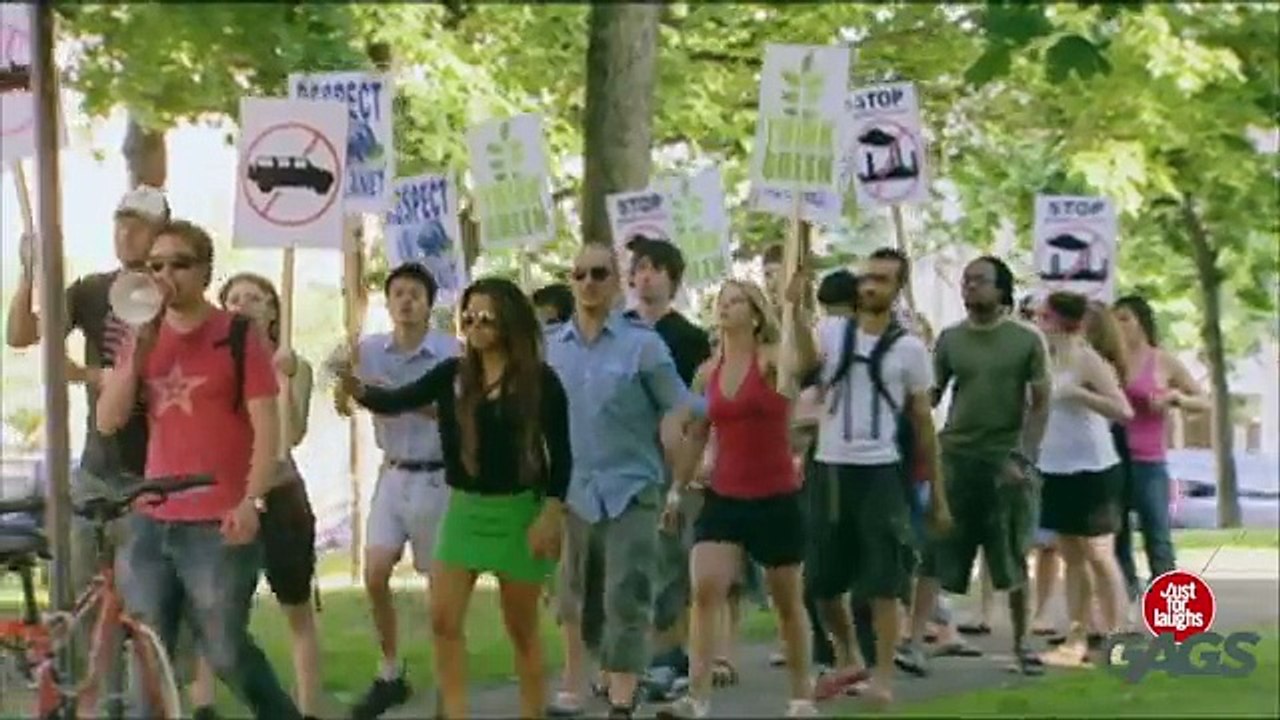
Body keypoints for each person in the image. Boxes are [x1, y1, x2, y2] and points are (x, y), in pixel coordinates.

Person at [338, 277, 572, 719]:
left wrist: (551, 512)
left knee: (521, 630)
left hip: (520, 511)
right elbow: (396, 400)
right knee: (444, 621)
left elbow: (562, 455)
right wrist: (353, 385)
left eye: (486, 315)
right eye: (468, 315)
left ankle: (531, 712)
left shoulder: (541, 381)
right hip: (464, 508)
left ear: (509, 320)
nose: (475, 323)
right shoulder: (453, 374)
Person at [95, 219, 300, 719]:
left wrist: (252, 500)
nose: (165, 275)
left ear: (205, 272)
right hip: (152, 516)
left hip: (218, 519)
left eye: (179, 264)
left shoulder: (235, 334)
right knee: (149, 653)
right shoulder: (140, 333)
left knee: (226, 650)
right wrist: (138, 350)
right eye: (155, 265)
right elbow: (108, 420)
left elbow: (266, 427)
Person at [547, 243, 705, 720]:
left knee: (627, 594)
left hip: (632, 488)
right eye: (580, 275)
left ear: (617, 282)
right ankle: (611, 669)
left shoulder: (643, 344)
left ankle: (622, 700)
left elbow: (685, 402)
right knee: (582, 603)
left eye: (600, 274)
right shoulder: (551, 347)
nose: (589, 283)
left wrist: (674, 427)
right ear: (571, 282)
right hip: (575, 491)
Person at [659, 279, 817, 719]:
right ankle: (697, 696)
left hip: (775, 495)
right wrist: (677, 489)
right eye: (720, 302)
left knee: (786, 601)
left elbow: (804, 361)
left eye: (735, 302)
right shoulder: (708, 371)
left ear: (755, 312)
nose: (725, 309)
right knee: (706, 589)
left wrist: (796, 310)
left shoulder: (771, 361)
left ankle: (802, 695)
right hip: (724, 494)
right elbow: (697, 433)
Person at [800, 248, 946, 706]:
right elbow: (802, 368)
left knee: (882, 581)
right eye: (866, 278)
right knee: (821, 582)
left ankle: (882, 676)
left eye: (881, 279)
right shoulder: (831, 331)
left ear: (897, 288)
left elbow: (923, 424)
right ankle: (847, 654)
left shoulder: (909, 349)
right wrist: (793, 304)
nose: (869, 286)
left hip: (880, 469)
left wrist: (938, 494)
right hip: (829, 467)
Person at [6, 186, 170, 593]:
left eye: (138, 226)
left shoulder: (175, 293)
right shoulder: (92, 291)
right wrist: (29, 273)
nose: (125, 235)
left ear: (161, 233)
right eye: (120, 224)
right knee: (78, 595)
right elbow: (20, 335)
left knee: (150, 604)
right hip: (97, 468)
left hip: (158, 470)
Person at [181, 274, 321, 720]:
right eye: (233, 298)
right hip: (223, 495)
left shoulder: (292, 365)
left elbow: (291, 435)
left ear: (273, 310)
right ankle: (203, 706)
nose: (242, 305)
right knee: (210, 606)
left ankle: (308, 707)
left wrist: (283, 382)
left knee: (296, 607)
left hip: (280, 496)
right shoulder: (209, 359)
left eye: (254, 298)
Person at [335, 263, 460, 719]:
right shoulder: (368, 350)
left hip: (438, 475)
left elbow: (455, 416)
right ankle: (390, 671)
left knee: (440, 588)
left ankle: (451, 686)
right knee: (375, 571)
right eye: (398, 293)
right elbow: (345, 398)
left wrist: (396, 396)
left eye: (415, 294)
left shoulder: (451, 353)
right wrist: (344, 380)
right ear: (387, 304)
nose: (406, 301)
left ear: (429, 303)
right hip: (392, 473)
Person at [918, 255, 1051, 677]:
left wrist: (1022, 456)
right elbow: (932, 396)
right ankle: (913, 640)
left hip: (1005, 461)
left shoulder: (1026, 340)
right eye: (966, 280)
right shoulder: (951, 339)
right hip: (955, 456)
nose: (970, 287)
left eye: (979, 281)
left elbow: (1041, 403)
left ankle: (1022, 642)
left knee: (1010, 554)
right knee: (935, 550)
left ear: (1001, 289)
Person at [623, 236, 712, 685]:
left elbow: (698, 403)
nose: (645, 275)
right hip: (625, 457)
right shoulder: (619, 329)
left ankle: (669, 651)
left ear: (673, 279)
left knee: (672, 556)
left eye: (656, 268)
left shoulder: (689, 337)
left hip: (673, 458)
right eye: (639, 267)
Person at [1034, 293, 1133, 667]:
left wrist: (1078, 394)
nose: (1038, 322)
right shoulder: (1044, 359)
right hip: (1055, 468)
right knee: (1070, 554)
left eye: (1045, 316)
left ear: (1063, 321)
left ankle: (1118, 632)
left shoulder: (1087, 359)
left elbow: (1122, 410)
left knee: (1099, 554)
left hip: (1094, 469)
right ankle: (1076, 638)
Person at [1112, 294, 1207, 601]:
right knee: (1116, 537)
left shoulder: (1161, 360)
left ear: (1142, 322)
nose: (1120, 325)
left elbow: (1203, 401)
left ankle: (1167, 605)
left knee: (1157, 536)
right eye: (1115, 319)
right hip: (1112, 459)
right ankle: (1124, 603)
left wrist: (1173, 398)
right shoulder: (1108, 359)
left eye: (1125, 318)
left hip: (1149, 461)